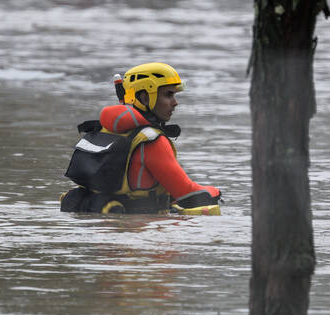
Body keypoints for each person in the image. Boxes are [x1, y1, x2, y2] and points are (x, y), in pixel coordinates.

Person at [60, 62, 222, 215]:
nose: (175, 102)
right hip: (137, 230)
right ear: (145, 98)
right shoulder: (152, 141)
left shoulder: (104, 130)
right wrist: (215, 191)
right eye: (168, 95)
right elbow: (187, 193)